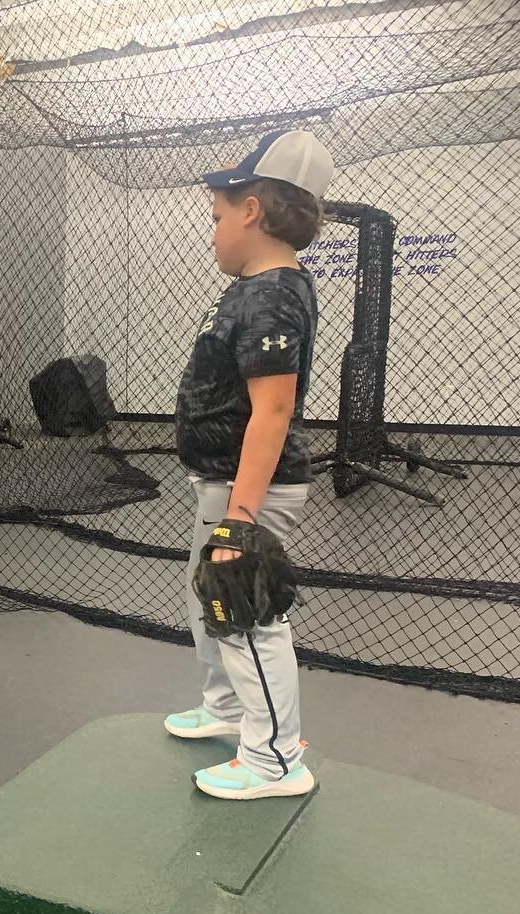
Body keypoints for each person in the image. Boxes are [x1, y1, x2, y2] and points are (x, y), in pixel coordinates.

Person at [163, 130, 334, 799]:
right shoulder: (259, 286)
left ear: (253, 212)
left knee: (244, 614)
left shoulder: (271, 294)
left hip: (246, 490)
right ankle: (227, 711)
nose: (213, 233)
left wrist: (239, 517)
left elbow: (273, 410)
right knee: (208, 599)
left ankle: (273, 760)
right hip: (222, 484)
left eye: (217, 217)